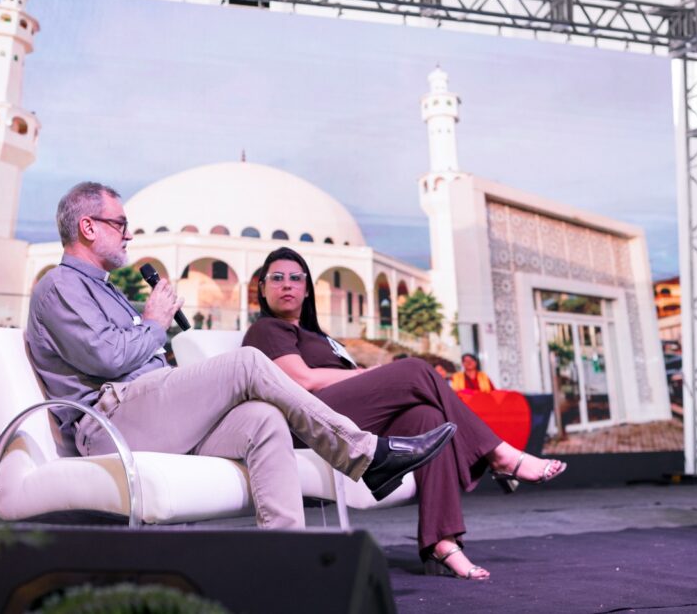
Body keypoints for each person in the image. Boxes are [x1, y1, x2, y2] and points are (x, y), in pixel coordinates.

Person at [26, 182, 454, 531]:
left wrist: (151, 327)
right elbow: (106, 358)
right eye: (120, 223)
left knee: (263, 420)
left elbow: (131, 350)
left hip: (148, 414)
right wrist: (154, 321)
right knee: (247, 362)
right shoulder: (60, 285)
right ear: (87, 226)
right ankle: (367, 455)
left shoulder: (106, 290)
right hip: (109, 424)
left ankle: (286, 562)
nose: (128, 234)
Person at [243, 247, 568, 580]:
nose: (287, 284)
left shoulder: (320, 337)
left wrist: (363, 376)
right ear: (263, 289)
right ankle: (499, 455)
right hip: (308, 422)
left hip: (346, 417)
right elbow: (303, 380)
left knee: (429, 418)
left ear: (307, 289)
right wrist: (364, 374)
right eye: (277, 278)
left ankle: (442, 542)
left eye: (296, 278)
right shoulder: (266, 330)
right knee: (415, 369)